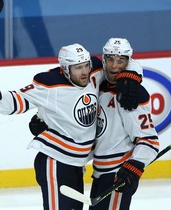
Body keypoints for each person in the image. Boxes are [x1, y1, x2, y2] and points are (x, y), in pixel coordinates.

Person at [0, 42, 142, 210]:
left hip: (75, 165)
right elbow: (14, 100)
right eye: (77, 68)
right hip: (55, 162)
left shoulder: (95, 71)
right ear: (65, 69)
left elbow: (123, 61)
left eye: (85, 65)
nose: (84, 72)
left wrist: (133, 75)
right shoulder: (50, 85)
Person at [89, 38, 160, 210]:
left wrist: (135, 164)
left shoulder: (130, 94)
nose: (114, 66)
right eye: (110, 59)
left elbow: (149, 141)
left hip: (118, 174)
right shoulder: (96, 83)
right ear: (104, 59)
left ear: (128, 62)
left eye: (121, 61)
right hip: (100, 172)